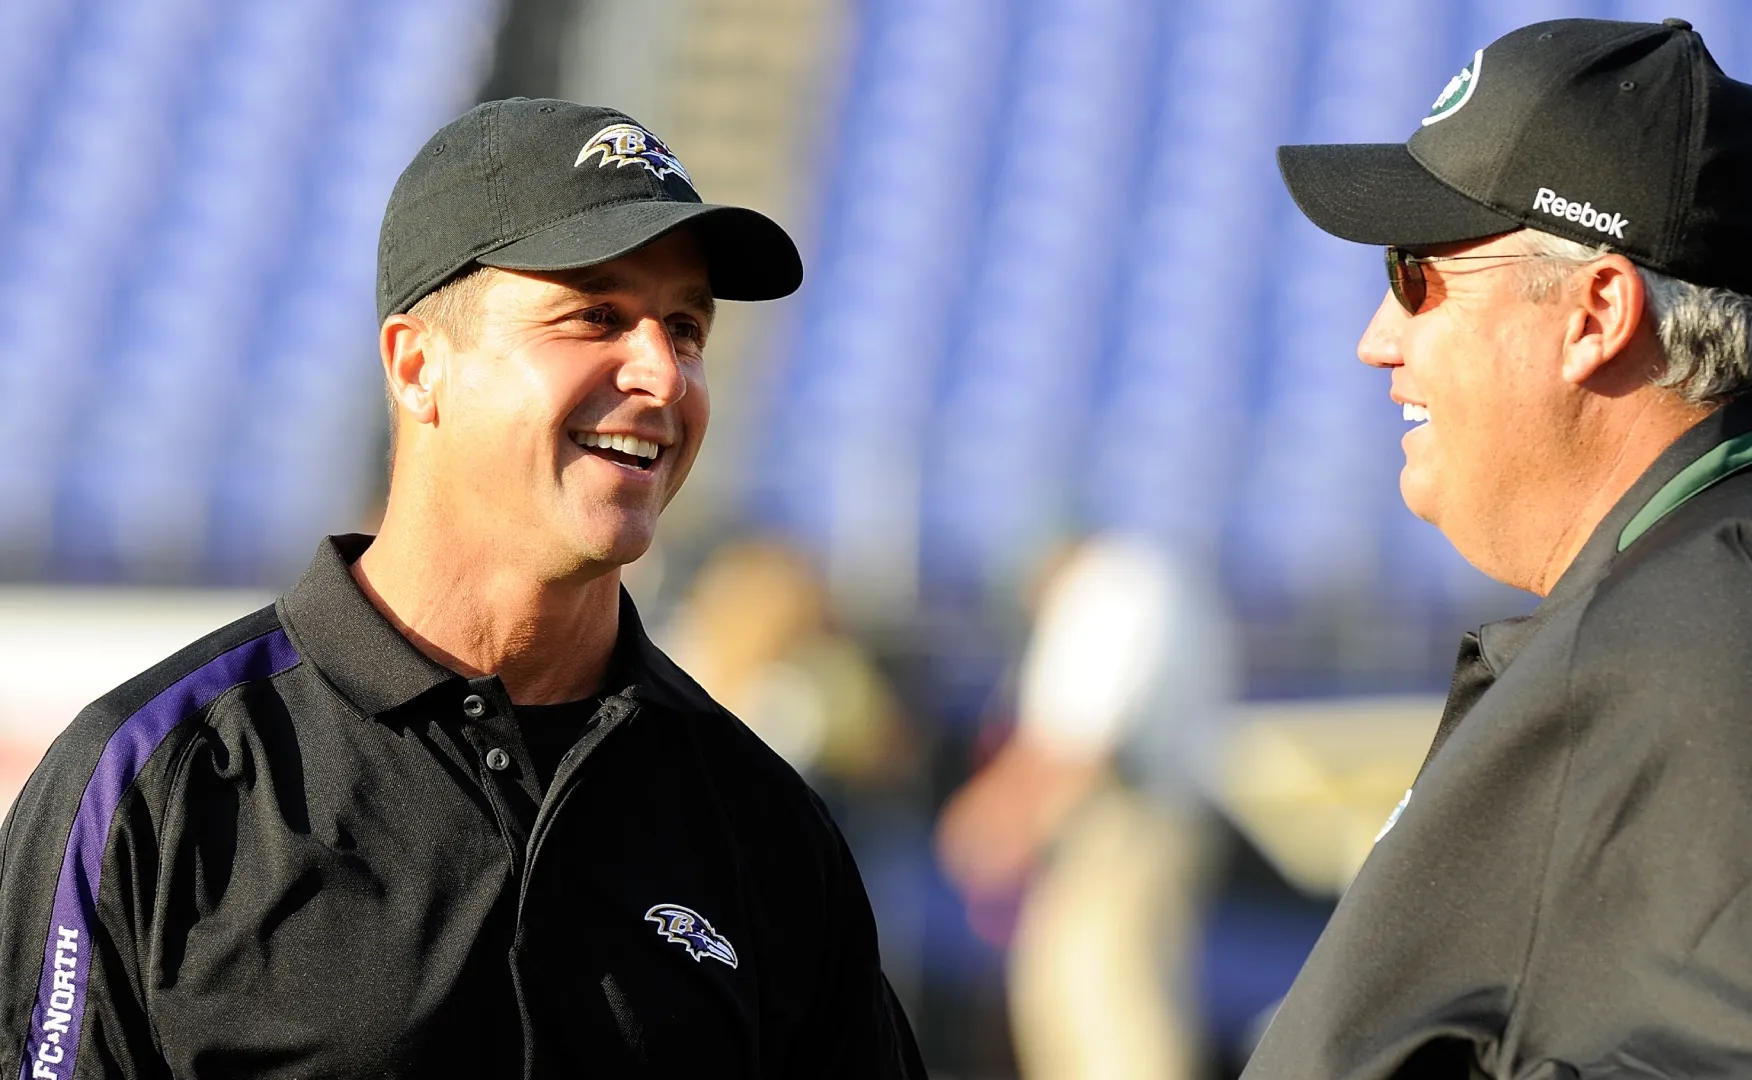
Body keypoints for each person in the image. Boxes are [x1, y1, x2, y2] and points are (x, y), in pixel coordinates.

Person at [0, 97, 925, 1079]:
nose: (664, 374)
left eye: (687, 328)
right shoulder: (155, 779)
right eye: (597, 317)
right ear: (417, 366)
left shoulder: (764, 823)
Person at [1245, 17, 1752, 1078]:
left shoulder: (1750, 633)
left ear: (1596, 313)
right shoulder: (1730, 589)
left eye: (1418, 275)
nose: (1378, 339)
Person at [938, 533, 1237, 1080]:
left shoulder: (1113, 585)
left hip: (1128, 829)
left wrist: (998, 816)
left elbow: (1081, 740)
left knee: (1113, 1015)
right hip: (1106, 830)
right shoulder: (1135, 580)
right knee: (1067, 1006)